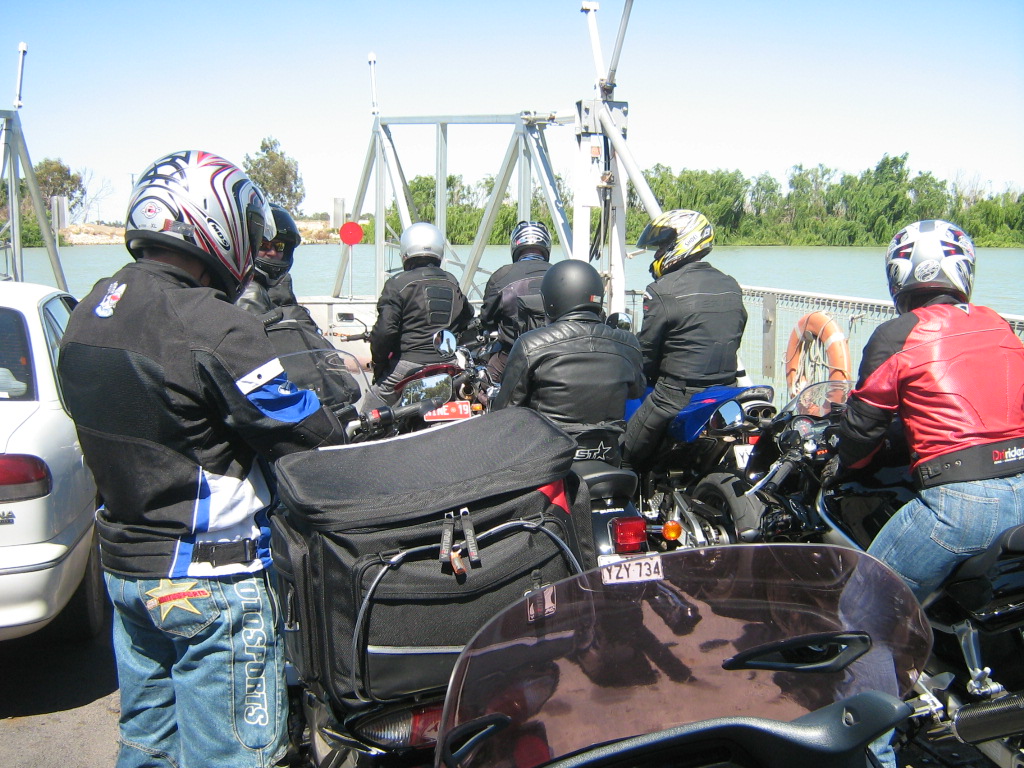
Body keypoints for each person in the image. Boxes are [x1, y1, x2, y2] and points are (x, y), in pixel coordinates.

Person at [57, 150, 347, 768]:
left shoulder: (88, 309)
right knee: (231, 757)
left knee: (147, 748)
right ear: (213, 219)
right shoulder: (210, 323)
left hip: (127, 573)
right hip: (210, 580)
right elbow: (305, 429)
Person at [833, 219, 1024, 603]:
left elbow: (861, 436)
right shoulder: (999, 325)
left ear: (897, 276)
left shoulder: (895, 335)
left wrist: (844, 462)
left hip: (959, 509)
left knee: (862, 607)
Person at [621, 209, 747, 473]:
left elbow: (647, 352)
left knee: (625, 457)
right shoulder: (731, 284)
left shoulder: (662, 290)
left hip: (676, 397)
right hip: (726, 392)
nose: (657, 254)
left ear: (683, 242)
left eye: (662, 246)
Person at [491, 258, 645, 459]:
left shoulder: (531, 344)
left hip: (550, 458)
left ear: (551, 299)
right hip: (607, 455)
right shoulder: (628, 343)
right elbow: (636, 391)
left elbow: (505, 410)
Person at [236, 204, 361, 410]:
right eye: (264, 245)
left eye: (280, 246)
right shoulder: (249, 293)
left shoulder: (278, 287)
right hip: (282, 404)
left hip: (316, 398)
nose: (273, 253)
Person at [368, 221, 474, 404]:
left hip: (408, 366)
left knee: (372, 406)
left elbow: (385, 331)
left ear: (406, 251)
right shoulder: (451, 281)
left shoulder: (397, 284)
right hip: (447, 365)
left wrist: (378, 362)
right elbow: (467, 316)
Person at [478, 220, 553, 381]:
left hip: (511, 357)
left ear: (516, 245)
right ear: (546, 245)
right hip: (555, 357)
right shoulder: (561, 273)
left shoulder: (501, 276)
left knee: (482, 385)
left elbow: (487, 319)